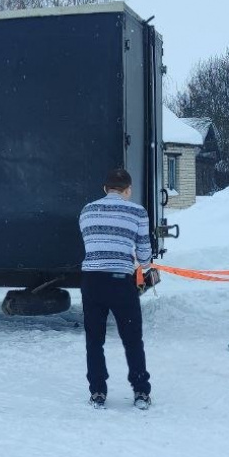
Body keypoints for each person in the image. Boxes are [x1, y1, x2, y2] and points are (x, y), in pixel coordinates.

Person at [78, 168, 153, 410]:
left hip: (92, 281)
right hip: (121, 281)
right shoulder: (138, 212)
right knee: (132, 340)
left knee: (94, 340)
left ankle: (98, 392)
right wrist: (146, 265)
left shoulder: (87, 210)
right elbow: (143, 254)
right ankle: (141, 391)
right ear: (128, 190)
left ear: (105, 188)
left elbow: (90, 242)